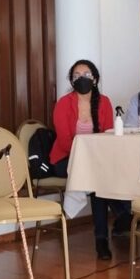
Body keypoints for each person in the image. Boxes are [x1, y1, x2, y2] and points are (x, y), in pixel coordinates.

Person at [49, 59, 131, 261]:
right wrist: (88, 160)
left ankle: (103, 238)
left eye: (86, 75)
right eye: (76, 76)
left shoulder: (104, 102)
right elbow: (64, 140)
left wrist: (94, 160)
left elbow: (107, 135)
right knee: (97, 179)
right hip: (65, 159)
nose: (81, 79)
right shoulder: (63, 103)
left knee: (100, 179)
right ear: (71, 80)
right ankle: (121, 216)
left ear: (94, 79)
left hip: (96, 159)